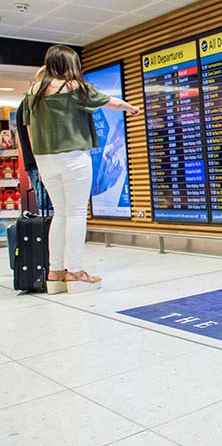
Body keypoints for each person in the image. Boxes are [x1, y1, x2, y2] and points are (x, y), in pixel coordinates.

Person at [22, 45, 140, 293]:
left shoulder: (32, 92)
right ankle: (75, 272)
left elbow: (29, 130)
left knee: (60, 213)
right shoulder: (74, 87)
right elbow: (111, 102)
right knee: (75, 213)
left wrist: (39, 162)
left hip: (45, 159)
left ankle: (55, 273)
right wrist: (131, 108)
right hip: (74, 157)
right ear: (69, 64)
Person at [15, 66, 51, 212]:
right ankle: (47, 235)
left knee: (48, 207)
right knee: (49, 208)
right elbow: (33, 136)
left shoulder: (27, 105)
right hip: (40, 163)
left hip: (38, 163)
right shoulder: (31, 105)